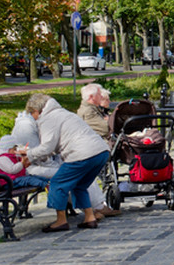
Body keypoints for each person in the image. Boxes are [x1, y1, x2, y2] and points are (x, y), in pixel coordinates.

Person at [23, 93, 110, 231]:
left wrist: (29, 155)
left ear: (36, 110)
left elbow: (47, 146)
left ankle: (61, 221)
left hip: (82, 154)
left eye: (31, 114)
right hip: (101, 152)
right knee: (80, 185)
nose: (33, 118)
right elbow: (55, 145)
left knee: (58, 183)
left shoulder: (47, 119)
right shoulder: (64, 113)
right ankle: (89, 218)